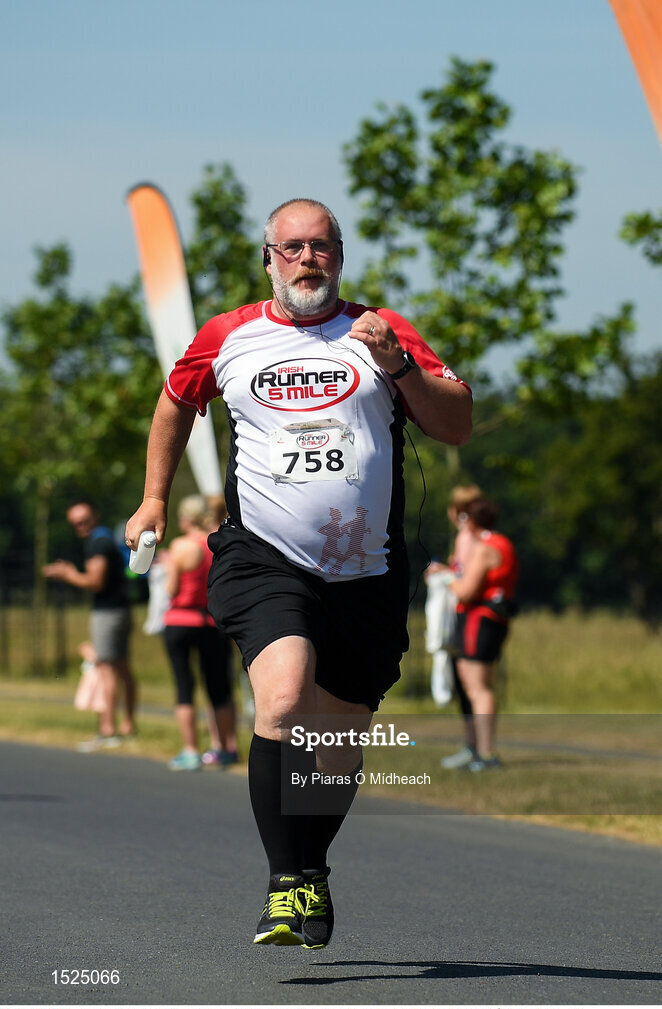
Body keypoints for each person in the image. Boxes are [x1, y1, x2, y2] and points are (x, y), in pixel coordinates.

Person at [125, 198, 472, 949]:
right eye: (292, 248)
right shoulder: (227, 336)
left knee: (341, 737)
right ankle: (286, 884)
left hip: (368, 569)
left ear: (339, 256)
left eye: (321, 247)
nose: (307, 259)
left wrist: (398, 365)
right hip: (265, 558)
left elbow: (456, 425)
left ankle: (310, 871)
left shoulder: (382, 331)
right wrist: (154, 497)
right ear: (269, 258)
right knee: (282, 699)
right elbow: (173, 405)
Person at [44, 500, 137, 750]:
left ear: (94, 516)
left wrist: (67, 574)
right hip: (121, 610)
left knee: (106, 670)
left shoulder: (98, 543)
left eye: (84, 520)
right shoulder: (105, 540)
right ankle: (127, 725)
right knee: (122, 668)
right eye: (76, 523)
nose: (81, 526)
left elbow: (95, 581)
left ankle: (108, 729)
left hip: (107, 613)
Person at [163, 493, 238, 771]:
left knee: (185, 686)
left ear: (185, 518)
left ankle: (191, 749)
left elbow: (171, 589)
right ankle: (227, 746)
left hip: (181, 619)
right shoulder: (216, 543)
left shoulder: (181, 546)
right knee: (219, 687)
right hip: (211, 621)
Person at [445, 497, 519, 772]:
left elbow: (466, 590)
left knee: (479, 689)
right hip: (490, 620)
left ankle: (486, 753)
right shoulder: (502, 542)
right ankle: (476, 749)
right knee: (473, 687)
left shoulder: (486, 548)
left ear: (471, 521)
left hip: (481, 620)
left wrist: (446, 578)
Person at [425, 484, 483, 768]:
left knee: (468, 685)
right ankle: (473, 745)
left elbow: (466, 576)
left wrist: (443, 573)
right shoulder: (475, 536)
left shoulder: (466, 537)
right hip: (467, 616)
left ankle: (475, 746)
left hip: (465, 616)